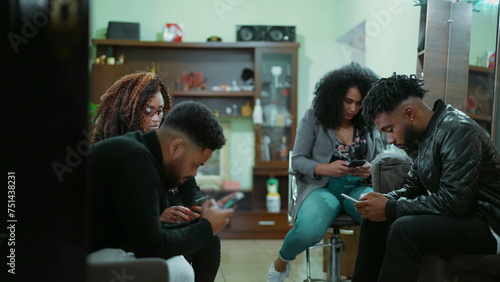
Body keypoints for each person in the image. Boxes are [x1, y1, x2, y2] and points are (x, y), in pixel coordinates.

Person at [353, 73, 500, 282]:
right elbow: (413, 187)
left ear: (409, 113)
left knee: (404, 230)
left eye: (390, 129)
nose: (390, 139)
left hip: (489, 223)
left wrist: (390, 208)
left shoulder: (458, 130)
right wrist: (381, 201)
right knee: (373, 221)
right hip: (465, 218)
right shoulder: (424, 137)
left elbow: (455, 202)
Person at [89, 71, 232, 282]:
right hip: (105, 243)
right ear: (127, 110)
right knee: (192, 253)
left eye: (161, 111)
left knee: (209, 240)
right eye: (148, 111)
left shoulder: (152, 144)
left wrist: (202, 209)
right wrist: (205, 226)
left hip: (124, 235)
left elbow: (189, 187)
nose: (156, 118)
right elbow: (149, 243)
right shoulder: (132, 155)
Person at [267, 62, 386, 281]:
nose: (353, 109)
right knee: (307, 231)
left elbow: (382, 158)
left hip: (359, 187)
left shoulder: (369, 123)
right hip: (322, 188)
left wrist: (371, 168)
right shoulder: (314, 117)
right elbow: (297, 160)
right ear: (334, 96)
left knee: (381, 220)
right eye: (348, 101)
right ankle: (281, 262)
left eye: (360, 103)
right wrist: (325, 168)